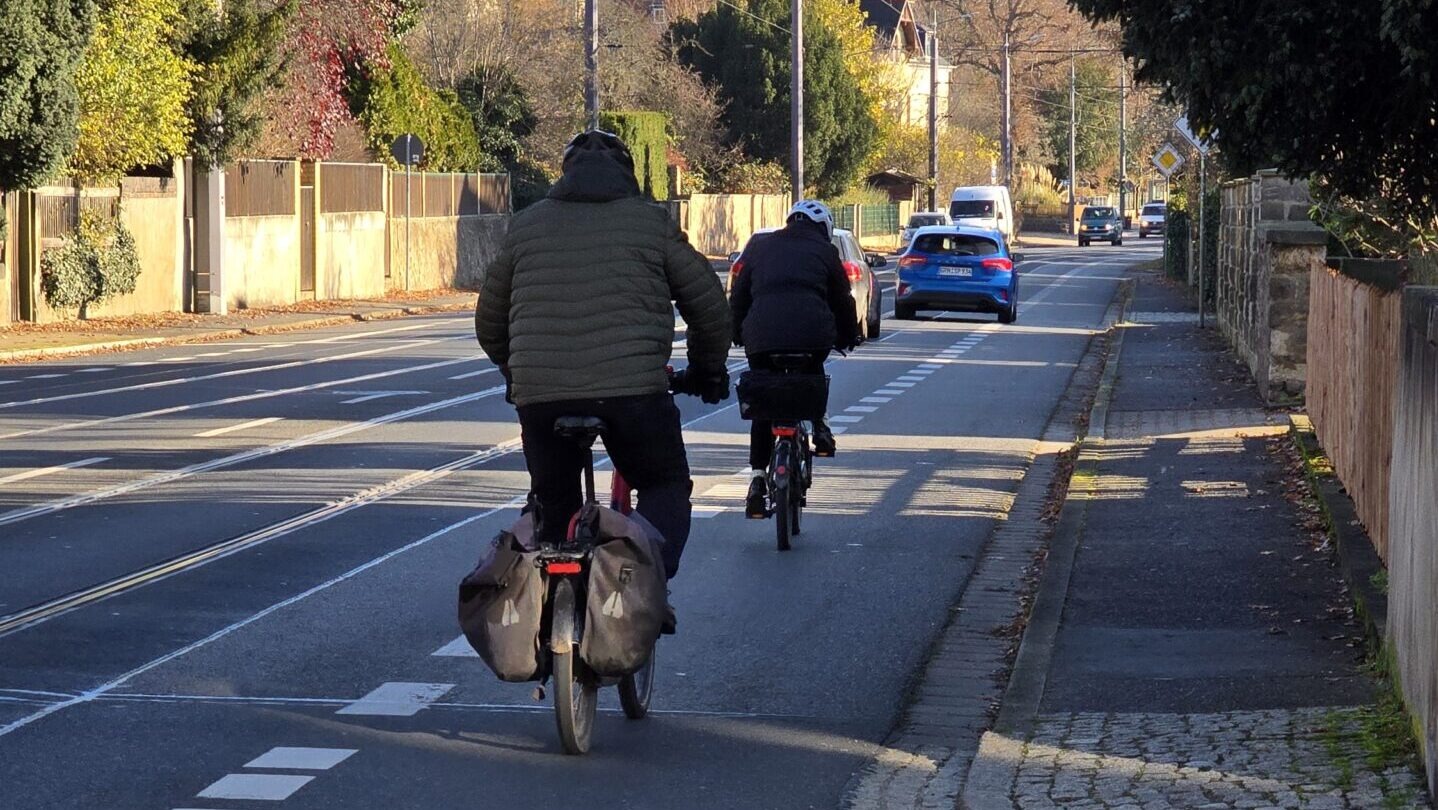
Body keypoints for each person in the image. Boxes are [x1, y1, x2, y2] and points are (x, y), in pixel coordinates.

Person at [475, 129, 731, 584]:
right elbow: (708, 306)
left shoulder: (527, 225)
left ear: (564, 174)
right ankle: (643, 584)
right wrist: (707, 371)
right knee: (664, 484)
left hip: (543, 396)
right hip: (634, 394)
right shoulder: (650, 223)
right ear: (629, 174)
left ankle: (551, 599)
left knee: (553, 505)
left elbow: (490, 322)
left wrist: (516, 374)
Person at [728, 199, 861, 518]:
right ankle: (821, 428)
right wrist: (848, 335)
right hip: (811, 337)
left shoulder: (760, 247)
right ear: (824, 227)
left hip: (762, 337)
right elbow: (842, 300)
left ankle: (757, 480)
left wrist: (737, 332)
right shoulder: (826, 251)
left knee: (763, 403)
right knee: (813, 369)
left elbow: (739, 295)